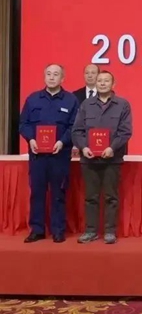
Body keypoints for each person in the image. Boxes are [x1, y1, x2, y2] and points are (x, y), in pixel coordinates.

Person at [19, 64, 79, 243]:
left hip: (59, 156)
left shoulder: (71, 100)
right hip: (38, 156)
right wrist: (31, 139)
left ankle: (58, 230)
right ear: (44, 77)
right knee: (37, 193)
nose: (52, 77)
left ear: (62, 78)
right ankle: (37, 230)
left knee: (59, 193)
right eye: (49, 74)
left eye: (56, 74)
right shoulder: (33, 99)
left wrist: (62, 142)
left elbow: (74, 126)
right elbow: (23, 124)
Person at [71, 71, 133, 244]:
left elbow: (125, 131)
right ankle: (90, 231)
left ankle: (110, 231)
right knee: (91, 197)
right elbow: (77, 130)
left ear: (113, 84)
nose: (103, 83)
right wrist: (84, 147)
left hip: (112, 158)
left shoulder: (122, 104)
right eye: (100, 80)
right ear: (95, 83)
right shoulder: (86, 104)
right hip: (89, 159)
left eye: (106, 81)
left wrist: (112, 148)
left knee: (111, 197)